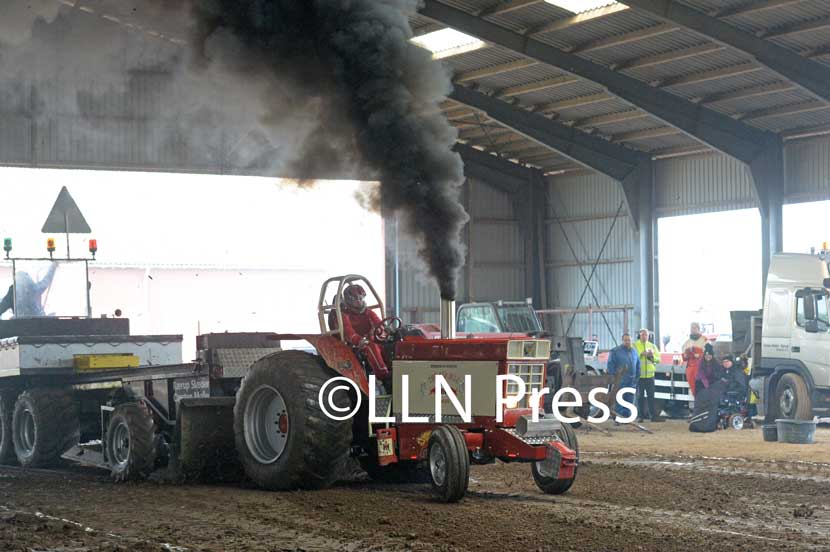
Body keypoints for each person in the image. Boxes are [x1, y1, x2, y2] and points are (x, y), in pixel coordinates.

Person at [339, 284, 390, 380]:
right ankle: (384, 377)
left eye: (360, 298)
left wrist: (381, 330)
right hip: (356, 345)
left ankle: (396, 370)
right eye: (355, 299)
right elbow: (349, 333)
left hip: (372, 339)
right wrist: (359, 340)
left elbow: (379, 323)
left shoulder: (368, 312)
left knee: (392, 344)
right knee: (371, 347)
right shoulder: (345, 315)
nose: (358, 301)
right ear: (348, 301)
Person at [605, 333, 640, 420]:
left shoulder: (634, 352)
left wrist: (637, 377)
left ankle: (627, 417)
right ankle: (618, 418)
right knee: (620, 399)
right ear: (622, 341)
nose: (627, 342)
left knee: (629, 400)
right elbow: (610, 365)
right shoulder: (615, 352)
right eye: (625, 340)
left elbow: (638, 364)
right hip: (620, 381)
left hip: (631, 381)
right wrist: (614, 378)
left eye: (629, 340)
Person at [634, 328, 662, 422]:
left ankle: (653, 416)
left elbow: (658, 359)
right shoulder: (635, 345)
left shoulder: (652, 346)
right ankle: (640, 416)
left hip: (650, 376)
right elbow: (633, 357)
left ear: (648, 336)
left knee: (651, 396)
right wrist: (641, 354)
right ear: (639, 335)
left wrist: (651, 356)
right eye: (642, 334)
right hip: (640, 376)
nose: (644, 336)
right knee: (640, 396)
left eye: (646, 335)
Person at [682, 322, 708, 397]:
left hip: (701, 367)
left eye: (694, 327)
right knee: (693, 390)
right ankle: (698, 406)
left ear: (698, 329)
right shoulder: (687, 342)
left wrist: (695, 354)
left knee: (703, 388)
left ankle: (703, 407)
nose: (692, 329)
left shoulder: (704, 340)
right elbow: (684, 357)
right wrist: (687, 354)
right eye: (691, 328)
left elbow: (708, 355)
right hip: (690, 369)